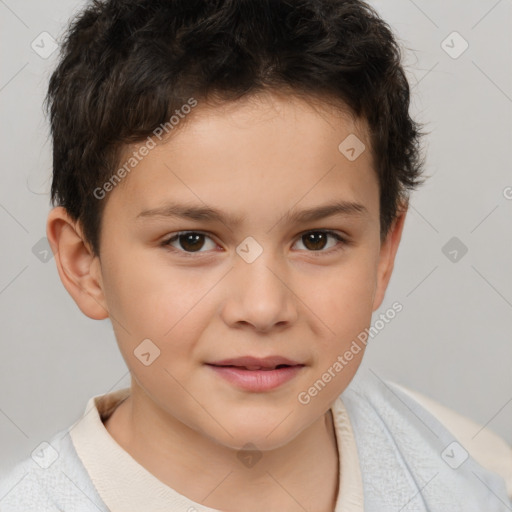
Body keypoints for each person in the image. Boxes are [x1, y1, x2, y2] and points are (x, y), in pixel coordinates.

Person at [1, 0, 510, 510]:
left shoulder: (477, 479)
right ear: (84, 264)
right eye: (192, 241)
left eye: (317, 239)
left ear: (384, 252)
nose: (263, 308)